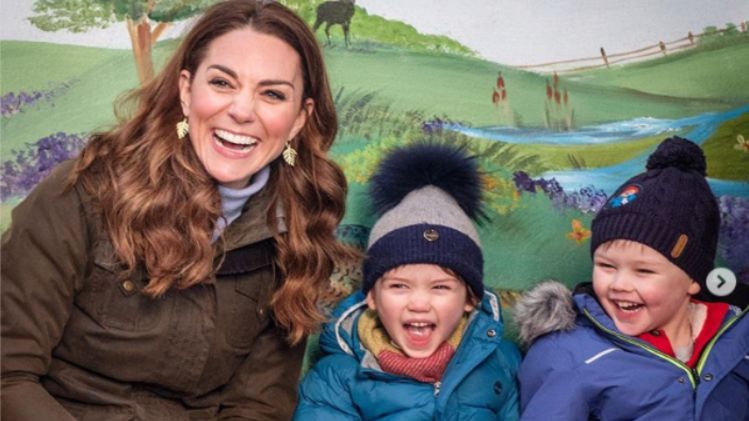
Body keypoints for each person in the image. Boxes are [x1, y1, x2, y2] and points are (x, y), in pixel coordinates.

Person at [1, 1, 355, 419]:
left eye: (272, 94)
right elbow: (8, 374)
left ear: (298, 119)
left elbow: (256, 406)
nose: (242, 111)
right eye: (222, 83)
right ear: (186, 91)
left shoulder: (295, 231)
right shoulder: (83, 193)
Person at [515, 137, 749, 420]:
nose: (619, 285)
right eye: (606, 266)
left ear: (693, 279)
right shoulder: (568, 354)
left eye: (644, 271)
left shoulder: (739, 335)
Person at [293, 144, 521, 420]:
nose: (419, 303)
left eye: (440, 287)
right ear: (372, 297)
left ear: (471, 298)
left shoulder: (502, 363)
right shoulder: (336, 379)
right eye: (399, 286)